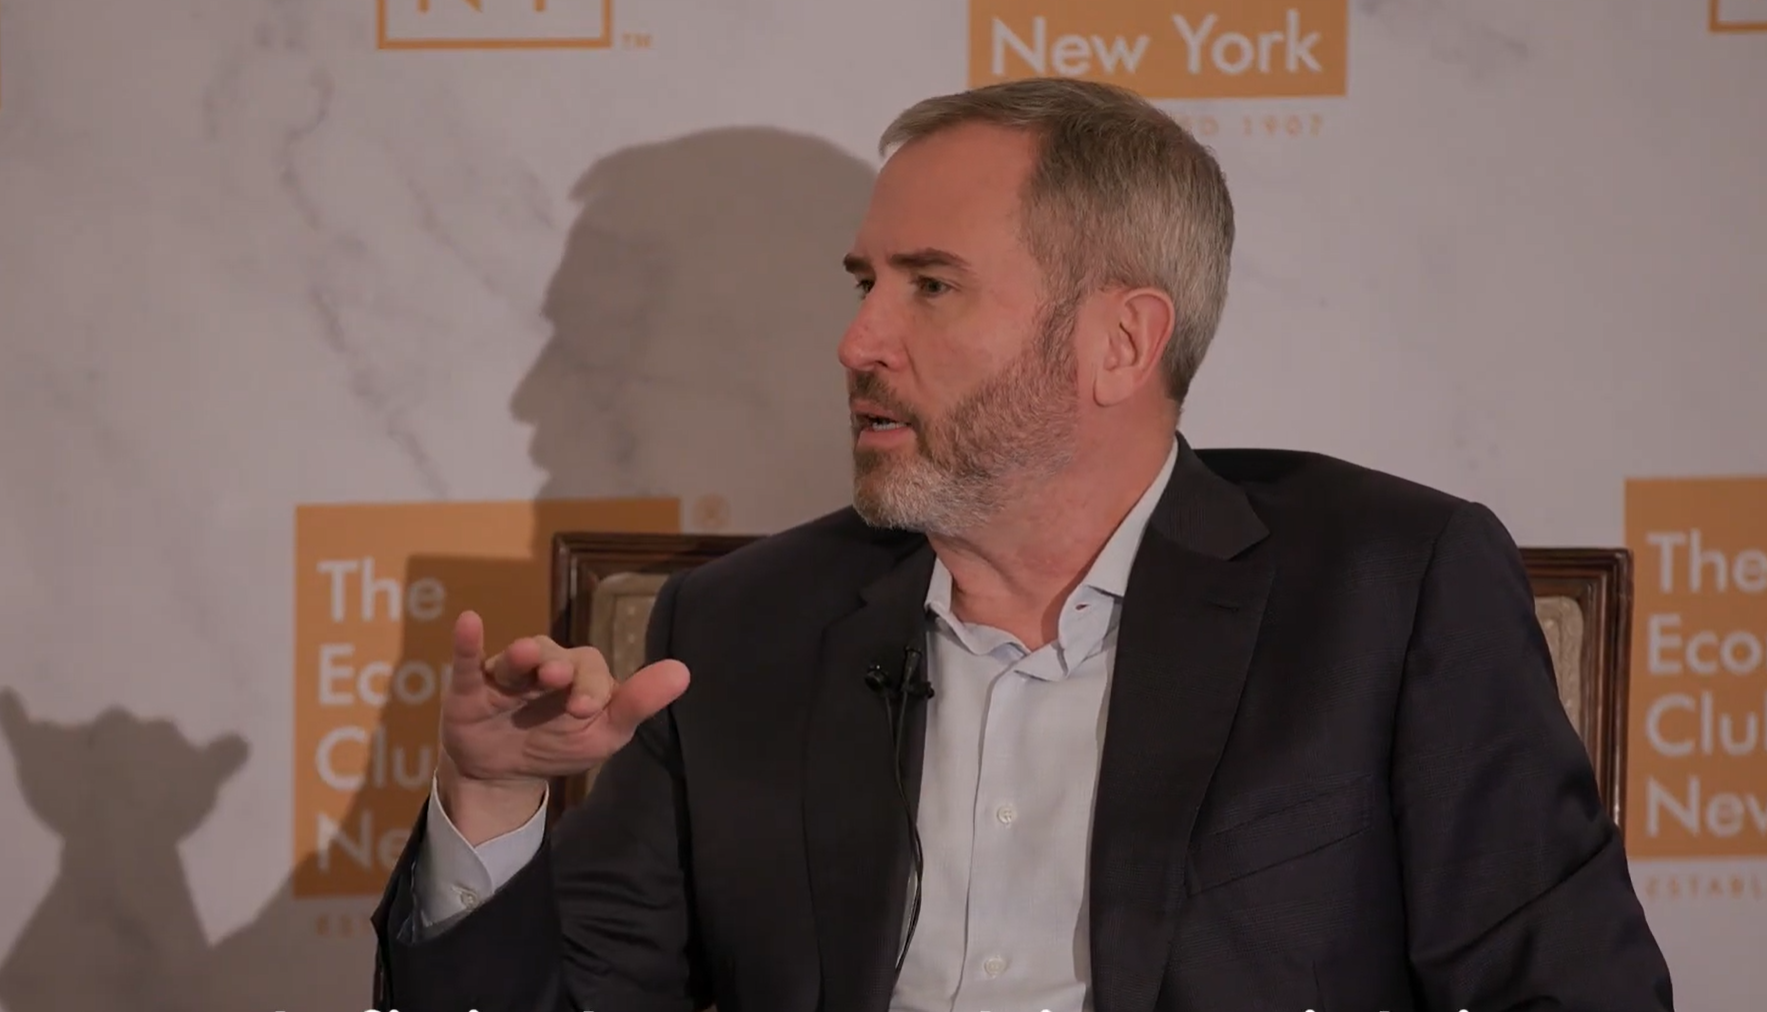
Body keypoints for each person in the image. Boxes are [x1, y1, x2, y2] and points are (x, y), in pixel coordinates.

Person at [371, 77, 1674, 1012]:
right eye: (864, 283)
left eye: (930, 285)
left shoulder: (1385, 590)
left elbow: (1564, 989)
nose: (858, 341)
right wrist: (491, 807)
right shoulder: (740, 629)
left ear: (1119, 342)